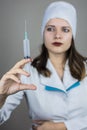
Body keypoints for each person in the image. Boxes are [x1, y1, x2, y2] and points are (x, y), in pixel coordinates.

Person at [0, 1, 87, 130]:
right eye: (50, 29)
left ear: (72, 35)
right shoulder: (26, 71)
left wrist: (63, 126)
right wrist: (1, 95)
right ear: (43, 32)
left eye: (65, 30)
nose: (57, 35)